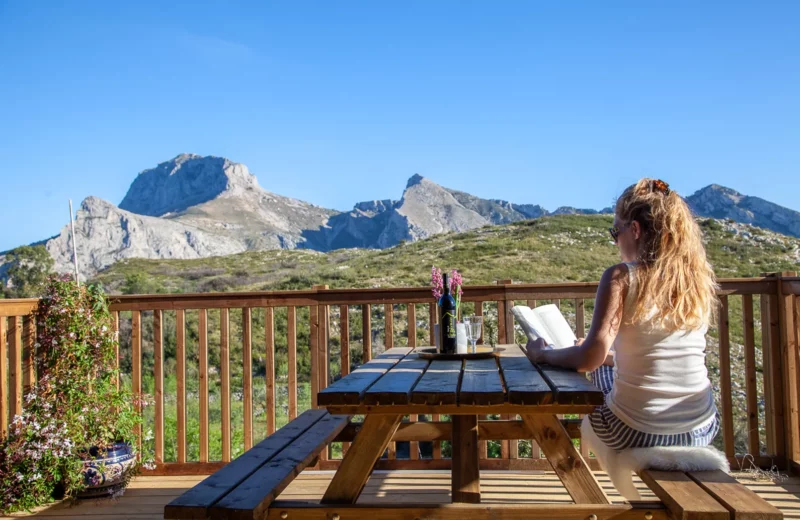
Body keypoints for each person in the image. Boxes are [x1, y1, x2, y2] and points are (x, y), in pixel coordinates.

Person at [525, 178, 720, 450]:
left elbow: (588, 359)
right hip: (702, 428)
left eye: (615, 232)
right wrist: (604, 356)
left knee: (596, 375)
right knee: (607, 366)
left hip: (636, 431)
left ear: (635, 229)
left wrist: (543, 354)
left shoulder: (621, 276)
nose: (616, 241)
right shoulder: (696, 282)